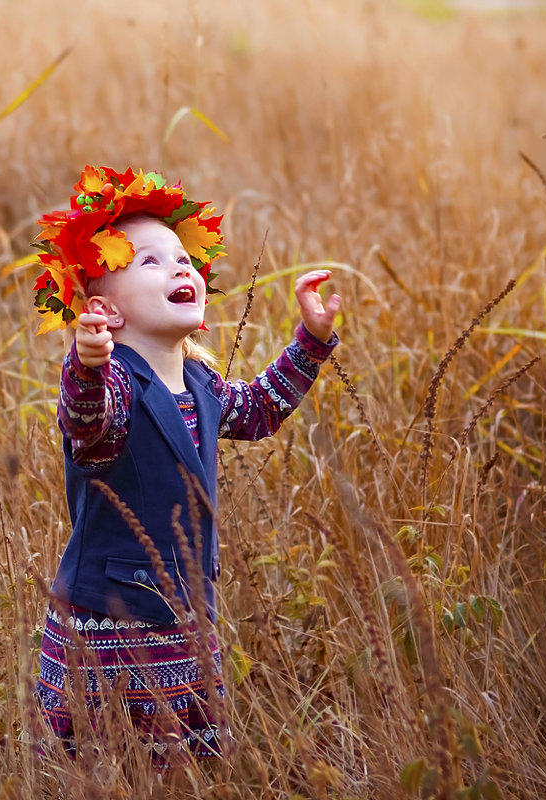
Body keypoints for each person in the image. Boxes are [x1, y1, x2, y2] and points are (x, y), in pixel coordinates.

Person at [31, 166, 341, 763]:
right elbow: (87, 421)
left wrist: (308, 340)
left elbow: (258, 411)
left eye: (184, 259)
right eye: (150, 262)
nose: (181, 269)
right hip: (108, 627)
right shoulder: (116, 384)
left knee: (183, 769)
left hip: (184, 622)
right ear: (105, 310)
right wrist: (86, 364)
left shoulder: (199, 381)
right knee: (106, 767)